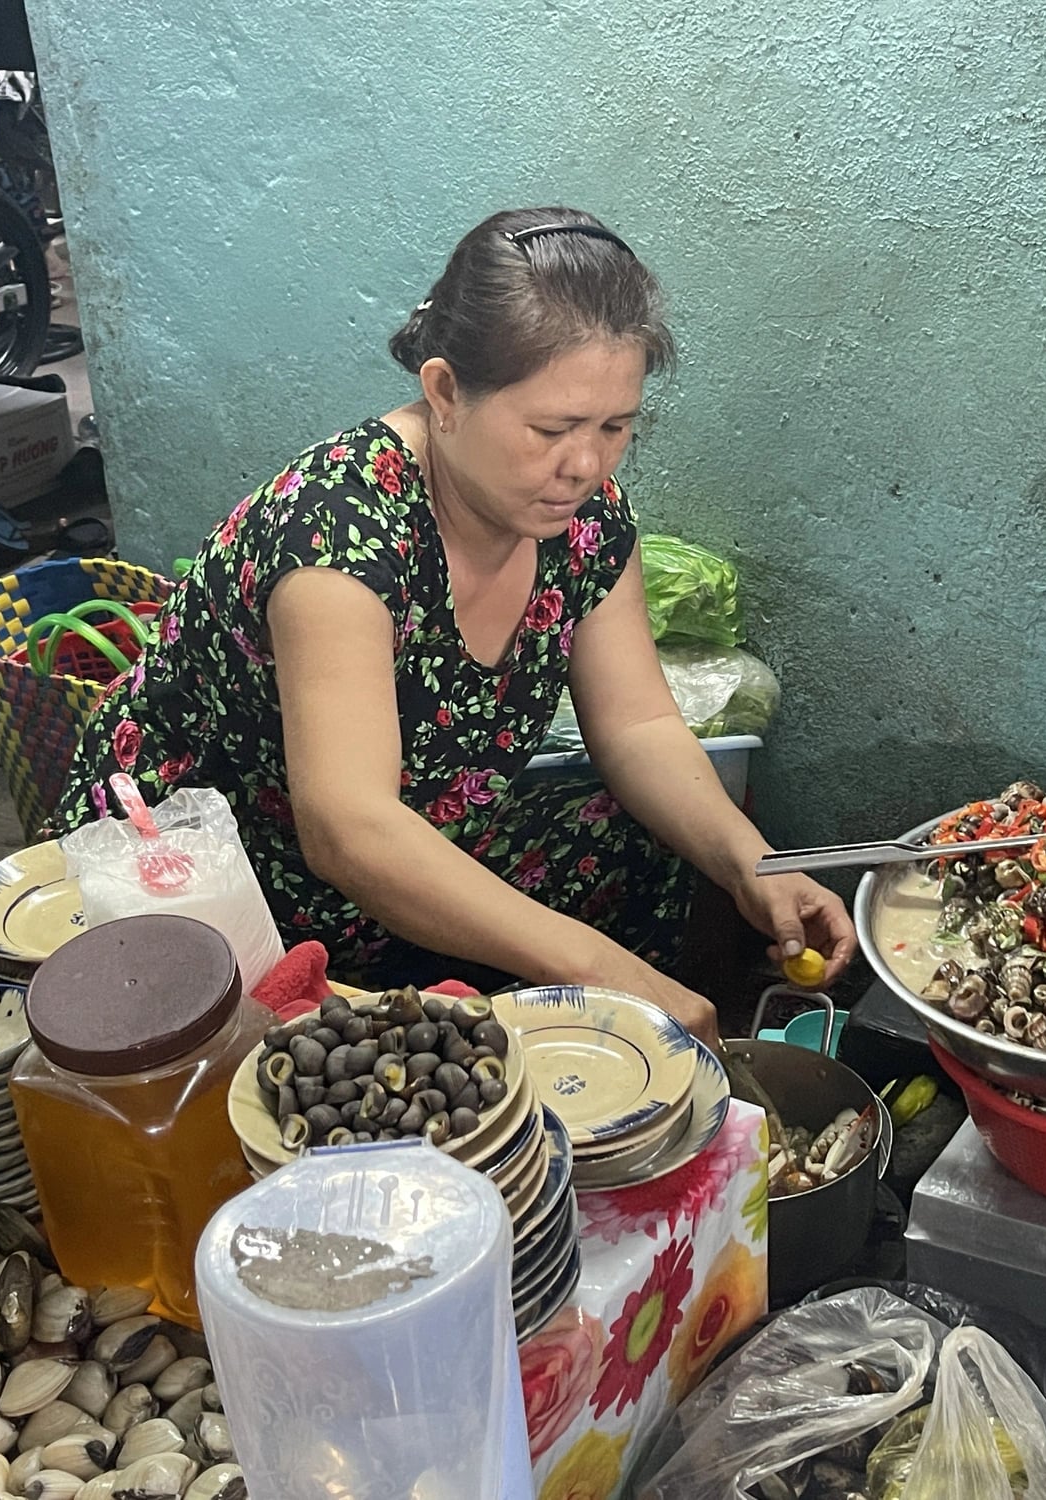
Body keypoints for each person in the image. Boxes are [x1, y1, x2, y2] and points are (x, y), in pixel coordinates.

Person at [56, 208, 856, 1046]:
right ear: (444, 393)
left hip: (415, 832)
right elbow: (348, 829)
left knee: (645, 850)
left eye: (616, 428)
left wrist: (755, 866)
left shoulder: (581, 516)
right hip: (216, 873)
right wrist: (598, 970)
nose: (585, 463)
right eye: (551, 430)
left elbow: (640, 725)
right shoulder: (338, 535)